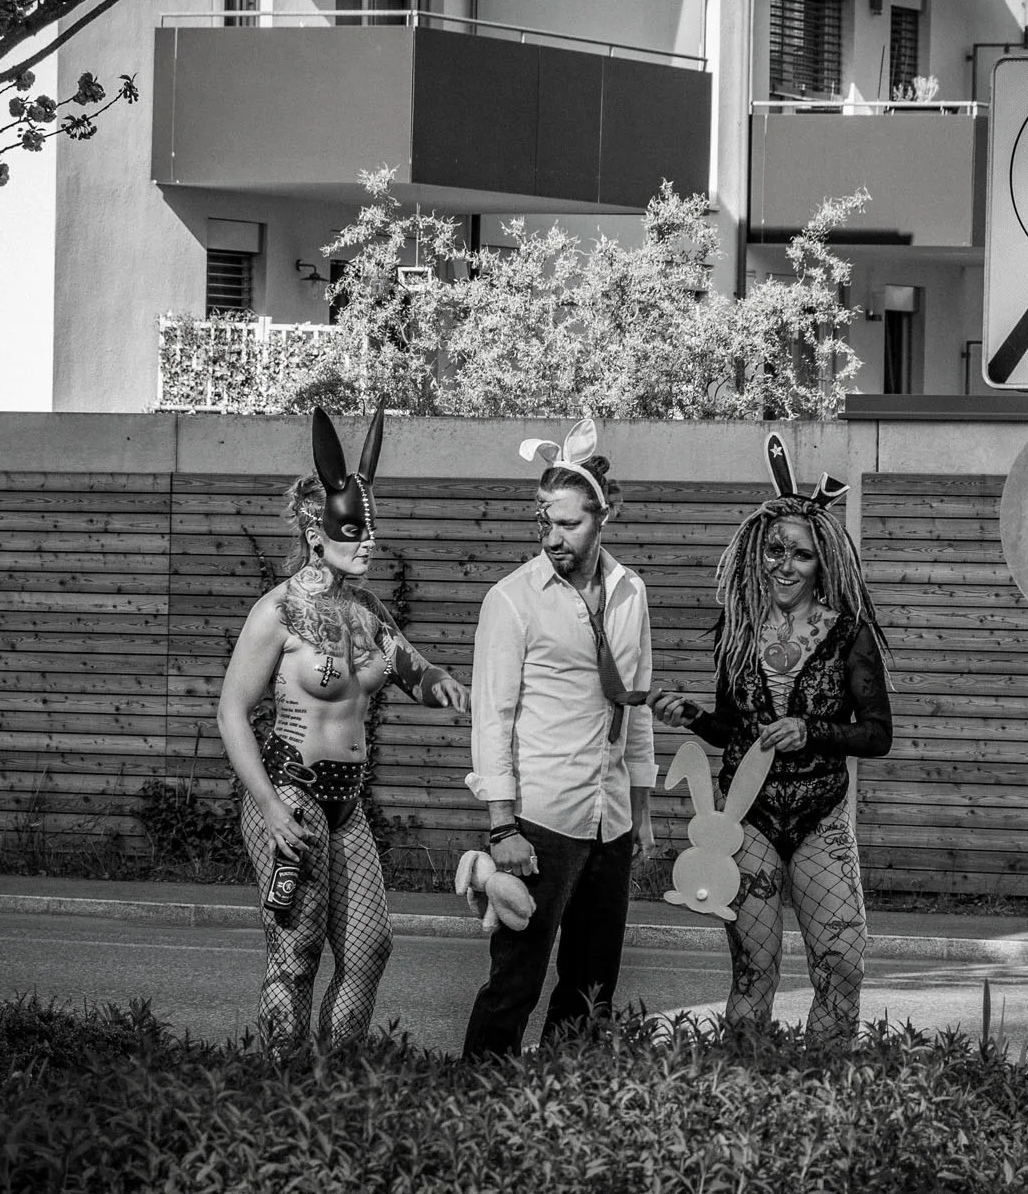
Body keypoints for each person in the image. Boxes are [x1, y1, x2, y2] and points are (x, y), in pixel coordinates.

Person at [218, 408, 468, 1051]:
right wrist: (269, 807)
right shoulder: (278, 611)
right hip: (291, 792)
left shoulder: (367, 610)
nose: (369, 543)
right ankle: (280, 1081)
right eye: (354, 531)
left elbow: (413, 670)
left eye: (371, 530)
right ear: (316, 534)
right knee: (296, 948)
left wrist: (446, 684)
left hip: (347, 802)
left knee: (369, 947)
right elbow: (231, 713)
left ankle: (339, 1079)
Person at [652, 433, 892, 1046]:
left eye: (800, 555)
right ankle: (744, 1080)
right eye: (775, 551)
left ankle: (827, 1076)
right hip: (746, 819)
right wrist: (691, 717)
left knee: (841, 963)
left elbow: (877, 735)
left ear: (823, 563)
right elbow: (732, 730)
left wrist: (812, 729)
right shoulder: (737, 629)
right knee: (753, 968)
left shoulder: (849, 634)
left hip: (820, 816)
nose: (785, 565)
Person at [461, 417, 657, 1060]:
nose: (552, 537)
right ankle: (475, 1096)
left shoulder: (630, 593)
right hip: (540, 817)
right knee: (514, 982)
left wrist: (641, 810)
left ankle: (563, 1095)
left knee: (591, 985)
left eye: (568, 524)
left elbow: (636, 704)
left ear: (604, 517)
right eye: (544, 522)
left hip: (611, 816)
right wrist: (502, 828)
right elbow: (492, 717)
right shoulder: (511, 600)